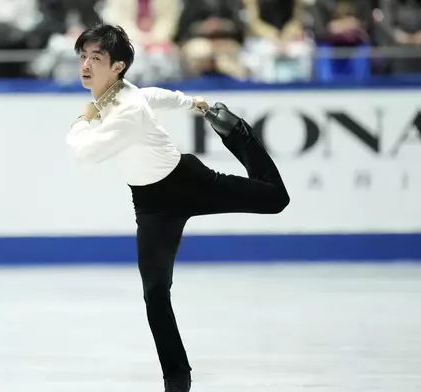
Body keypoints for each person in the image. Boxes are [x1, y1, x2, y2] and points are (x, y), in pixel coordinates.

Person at [66, 24, 290, 392]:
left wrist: (83, 118)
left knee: (275, 200)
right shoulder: (121, 92)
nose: (86, 66)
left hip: (187, 183)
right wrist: (189, 102)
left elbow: (86, 151)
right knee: (155, 291)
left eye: (96, 58)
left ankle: (240, 136)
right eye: (83, 57)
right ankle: (177, 379)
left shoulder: (125, 110)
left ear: (118, 65)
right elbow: (151, 94)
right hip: (151, 205)